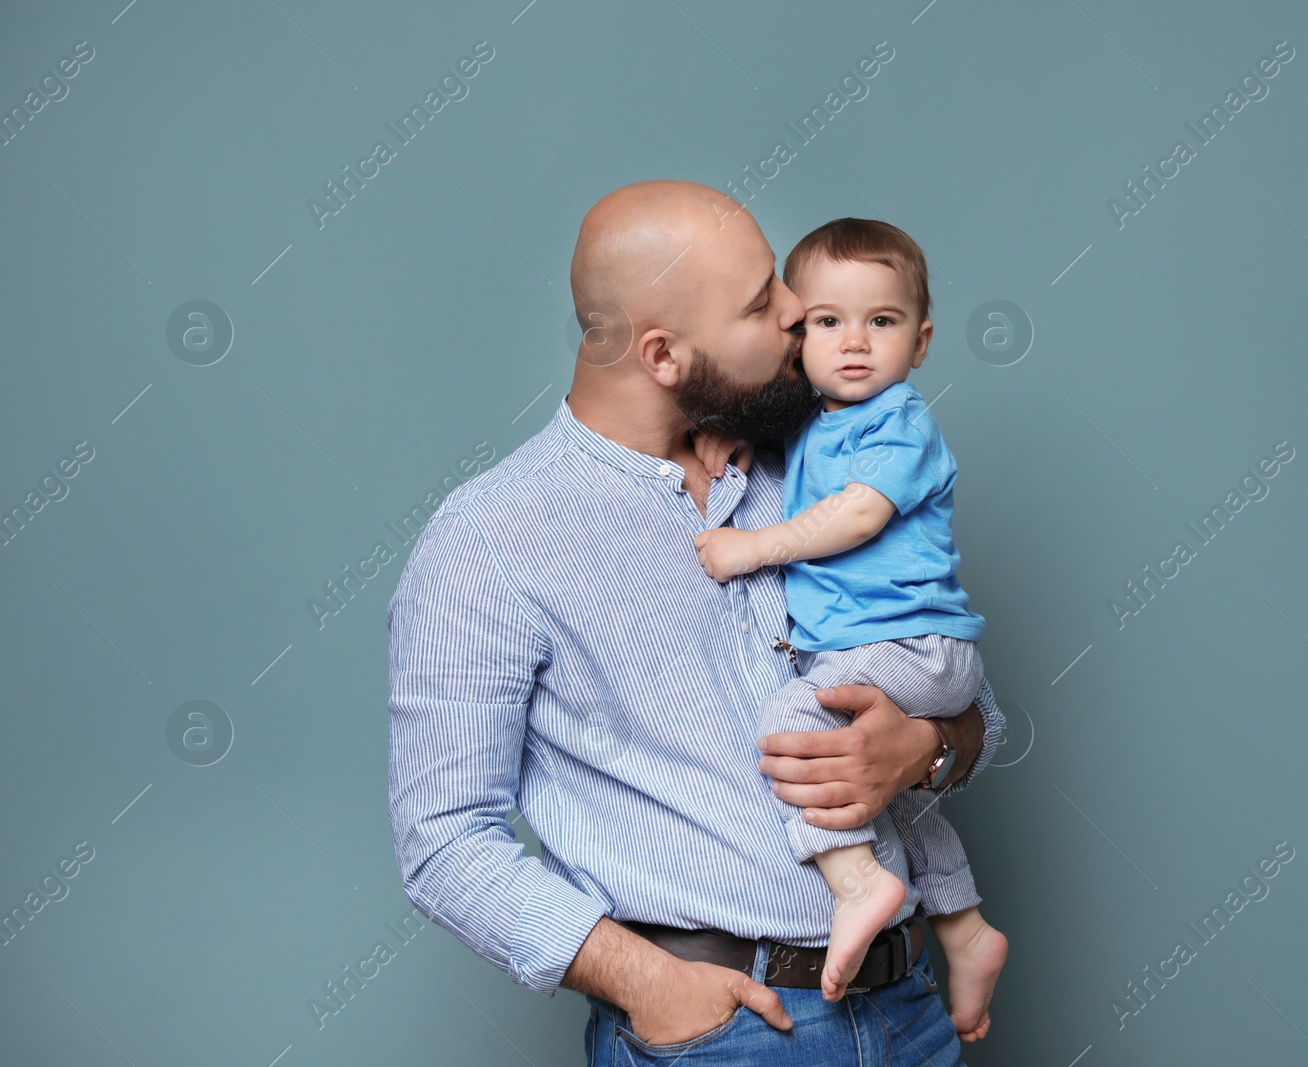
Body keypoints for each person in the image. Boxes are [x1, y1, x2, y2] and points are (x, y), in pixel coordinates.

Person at [387, 179, 1006, 1065]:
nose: (802, 311)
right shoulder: (489, 544)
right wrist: (650, 984)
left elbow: (976, 698)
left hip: (911, 1010)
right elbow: (444, 842)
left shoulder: (811, 468)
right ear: (664, 355)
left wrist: (927, 747)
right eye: (764, 303)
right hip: (723, 1036)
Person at [692, 217, 1008, 1041]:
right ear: (798, 336)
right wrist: (732, 429)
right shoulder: (812, 426)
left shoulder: (899, 424)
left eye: (883, 320)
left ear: (923, 339)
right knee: (883, 792)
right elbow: (780, 437)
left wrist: (753, 546)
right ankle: (965, 931)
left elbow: (858, 513)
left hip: (920, 649)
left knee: (795, 721)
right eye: (828, 321)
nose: (855, 343)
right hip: (886, 654)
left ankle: (857, 883)